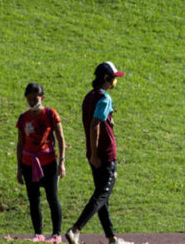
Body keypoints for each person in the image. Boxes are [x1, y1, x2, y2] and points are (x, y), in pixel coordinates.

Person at [65, 62, 132, 244]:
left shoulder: (88, 97)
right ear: (106, 78)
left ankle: (112, 239)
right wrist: (96, 154)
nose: (115, 81)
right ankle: (76, 229)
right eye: (114, 77)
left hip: (93, 152)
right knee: (102, 193)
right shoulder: (105, 98)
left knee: (102, 197)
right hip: (105, 154)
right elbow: (95, 124)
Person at [16, 83, 66, 243]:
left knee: (52, 198)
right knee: (34, 199)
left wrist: (62, 163)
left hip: (48, 162)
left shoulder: (51, 114)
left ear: (42, 97)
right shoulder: (23, 118)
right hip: (28, 163)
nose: (31, 101)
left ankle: (56, 234)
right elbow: (20, 143)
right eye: (29, 99)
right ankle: (38, 233)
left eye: (35, 98)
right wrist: (18, 168)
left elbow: (61, 139)